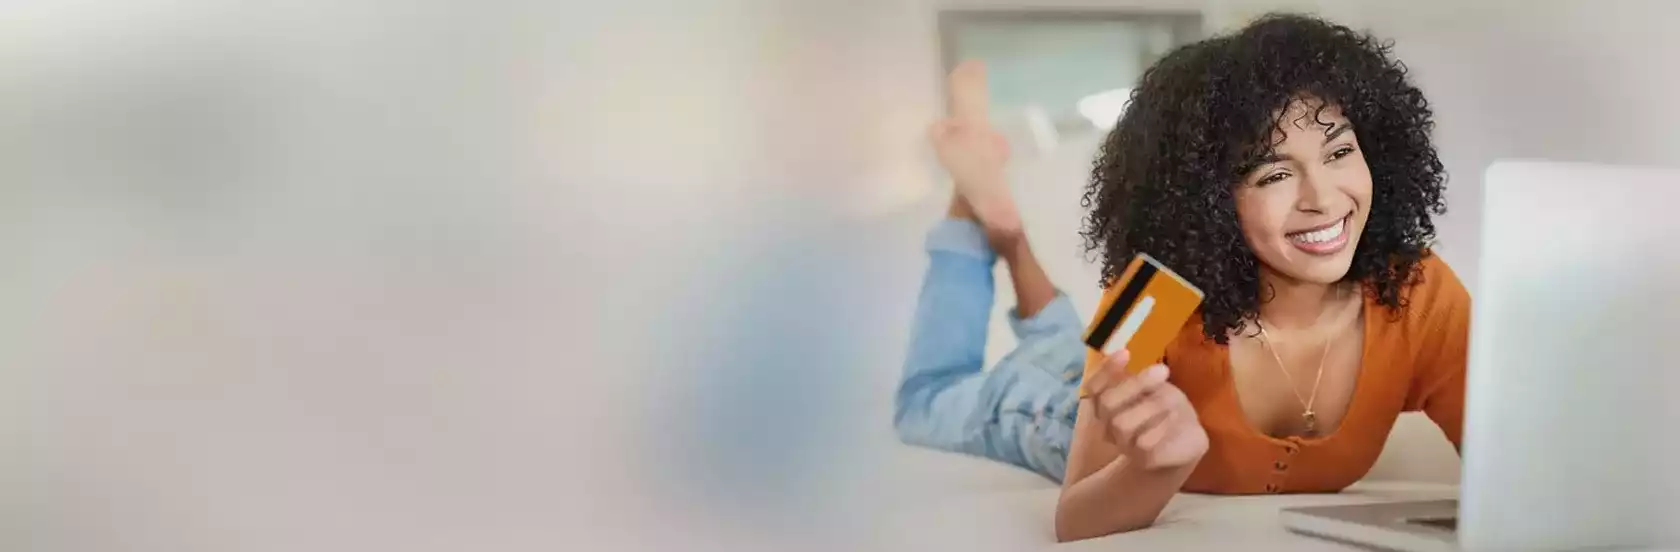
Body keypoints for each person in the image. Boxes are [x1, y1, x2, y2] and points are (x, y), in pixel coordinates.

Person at [1055, 14, 1469, 541]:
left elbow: (1514, 467)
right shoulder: (1144, 297)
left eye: (1340, 151)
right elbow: (1075, 520)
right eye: (1274, 174)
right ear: (1208, 200)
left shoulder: (1419, 289)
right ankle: (1000, 239)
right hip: (1048, 413)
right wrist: (1149, 467)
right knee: (987, 394)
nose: (1322, 199)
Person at [892, 59, 1087, 483]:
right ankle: (984, 192)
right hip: (1075, 414)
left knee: (1070, 349)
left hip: (1099, 366)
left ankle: (1008, 232)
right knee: (925, 398)